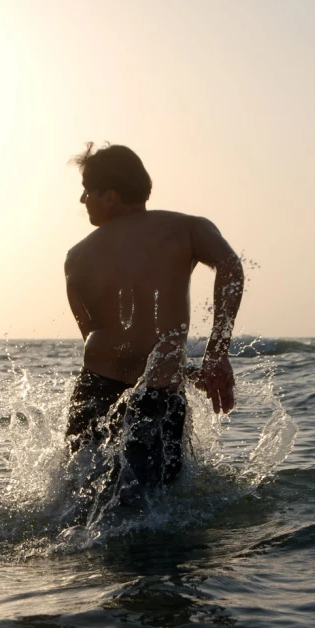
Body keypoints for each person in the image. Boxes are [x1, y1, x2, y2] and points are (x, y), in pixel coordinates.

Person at [64, 143, 244, 502]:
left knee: (80, 498)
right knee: (158, 506)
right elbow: (231, 268)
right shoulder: (187, 229)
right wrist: (215, 353)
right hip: (157, 395)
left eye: (87, 189)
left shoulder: (76, 256)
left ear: (111, 196)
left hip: (94, 390)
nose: (82, 199)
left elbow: (94, 333)